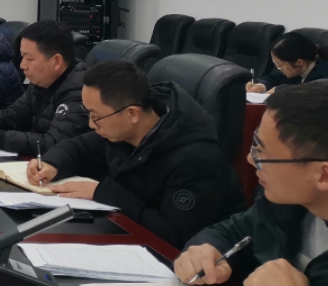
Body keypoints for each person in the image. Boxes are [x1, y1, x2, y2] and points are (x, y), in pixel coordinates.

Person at [174, 81, 328, 286]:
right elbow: (233, 230)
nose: (251, 161)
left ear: (324, 176)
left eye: (263, 154)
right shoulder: (287, 205)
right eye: (256, 144)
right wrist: (207, 250)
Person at [28, 60, 245, 248]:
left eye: (96, 117)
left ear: (132, 113)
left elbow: (174, 236)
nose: (91, 125)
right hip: (125, 235)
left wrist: (104, 192)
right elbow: (78, 147)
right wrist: (52, 163)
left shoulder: (197, 160)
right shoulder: (121, 130)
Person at [0, 20, 88, 155]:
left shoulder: (80, 91)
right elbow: (12, 117)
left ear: (56, 61)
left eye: (29, 59)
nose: (22, 65)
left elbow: (53, 143)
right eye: (22, 57)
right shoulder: (41, 81)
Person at [248, 32, 328, 93]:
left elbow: (308, 93)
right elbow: (276, 78)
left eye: (280, 64)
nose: (278, 68)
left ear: (299, 62)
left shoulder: (327, 73)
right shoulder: (301, 68)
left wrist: (278, 90)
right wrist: (261, 86)